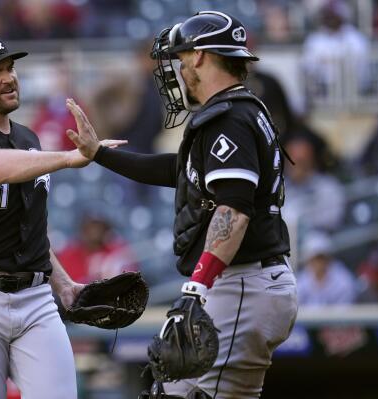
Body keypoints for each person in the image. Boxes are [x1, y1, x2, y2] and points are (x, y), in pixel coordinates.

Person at [66, 11, 298, 398]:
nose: (179, 69)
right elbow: (179, 169)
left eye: (182, 58)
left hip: (240, 283)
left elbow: (233, 211)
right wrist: (99, 154)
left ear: (202, 56)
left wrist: (197, 286)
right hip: (243, 283)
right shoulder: (238, 110)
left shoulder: (230, 118)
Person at [0, 33, 125, 399]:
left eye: (9, 67)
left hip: (34, 297)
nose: (7, 77)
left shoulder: (28, 140)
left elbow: (32, 228)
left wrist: (63, 285)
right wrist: (67, 157)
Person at [296, 231, 357, 306]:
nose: (317, 262)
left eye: (320, 258)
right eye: (313, 258)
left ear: (328, 258)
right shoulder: (303, 279)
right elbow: (296, 307)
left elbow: (343, 313)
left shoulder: (343, 281)